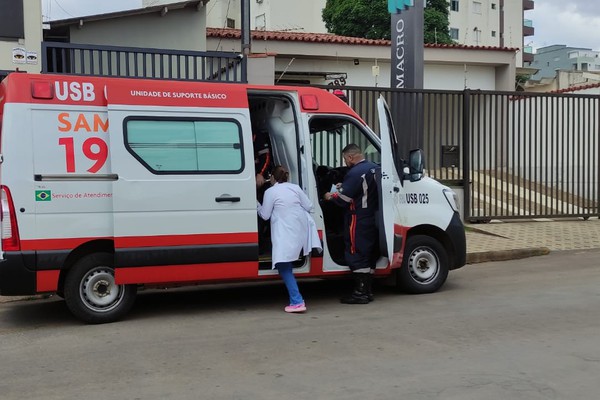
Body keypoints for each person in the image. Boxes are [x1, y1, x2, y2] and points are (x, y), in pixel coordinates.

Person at [257, 165, 322, 313]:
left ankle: (297, 301)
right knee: (285, 262)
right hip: (299, 228)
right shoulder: (295, 188)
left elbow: (265, 215)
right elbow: (309, 205)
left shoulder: (271, 191)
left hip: (284, 231)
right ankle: (296, 300)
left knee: (283, 264)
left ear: (272, 178)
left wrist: (256, 205)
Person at [324, 144, 379, 304]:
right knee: (369, 252)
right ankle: (368, 291)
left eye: (344, 159)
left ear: (350, 157)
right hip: (372, 216)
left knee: (356, 251)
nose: (345, 162)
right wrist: (344, 187)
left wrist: (331, 196)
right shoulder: (373, 168)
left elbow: (343, 200)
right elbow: (361, 190)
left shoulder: (354, 173)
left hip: (358, 217)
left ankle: (360, 293)